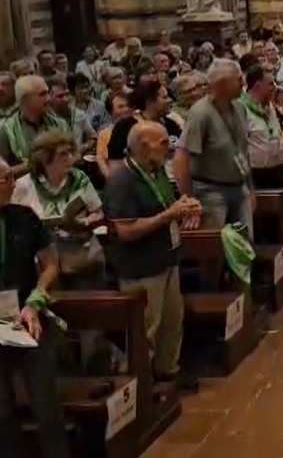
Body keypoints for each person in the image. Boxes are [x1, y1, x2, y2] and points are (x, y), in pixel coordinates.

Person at [103, 121, 201, 390]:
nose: (167, 146)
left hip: (166, 257)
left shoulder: (157, 170)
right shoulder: (121, 180)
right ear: (143, 147)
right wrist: (168, 215)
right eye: (161, 142)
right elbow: (126, 230)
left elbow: (167, 205)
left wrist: (186, 207)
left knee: (172, 320)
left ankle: (168, 371)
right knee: (147, 328)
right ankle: (139, 385)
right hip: (141, 266)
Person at [0, 157, 70, 458]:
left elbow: (51, 264)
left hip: (28, 317)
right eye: (5, 179)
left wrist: (37, 298)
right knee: (2, 413)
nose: (13, 183)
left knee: (46, 404)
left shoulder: (24, 216)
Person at [12, 130, 105, 286]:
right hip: (42, 264)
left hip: (81, 258)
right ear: (45, 158)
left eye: (70, 152)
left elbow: (99, 214)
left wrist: (83, 223)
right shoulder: (24, 185)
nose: (69, 158)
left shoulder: (79, 178)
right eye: (62, 154)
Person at [174, 59, 251, 232]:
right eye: (238, 79)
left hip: (240, 187)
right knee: (217, 248)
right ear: (222, 84)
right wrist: (189, 202)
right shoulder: (201, 112)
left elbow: (243, 151)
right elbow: (181, 158)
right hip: (211, 192)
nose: (243, 83)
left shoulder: (239, 108)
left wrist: (250, 189)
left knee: (245, 246)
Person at [0, 75, 65, 176]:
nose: (48, 99)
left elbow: (73, 158)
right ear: (25, 99)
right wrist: (34, 164)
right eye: (42, 94)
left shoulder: (59, 124)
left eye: (48, 93)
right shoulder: (5, 130)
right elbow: (2, 174)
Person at [242, 64, 283, 189]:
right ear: (257, 86)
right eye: (271, 84)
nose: (275, 88)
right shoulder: (241, 109)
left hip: (276, 169)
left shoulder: (269, 105)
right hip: (255, 174)